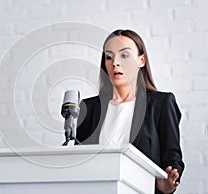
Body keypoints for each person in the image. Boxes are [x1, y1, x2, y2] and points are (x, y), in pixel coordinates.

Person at [75, 29, 184, 194]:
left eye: (124, 55)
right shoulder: (88, 108)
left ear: (141, 60)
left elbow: (172, 158)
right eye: (109, 57)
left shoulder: (161, 104)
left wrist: (166, 183)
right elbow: (78, 162)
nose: (115, 63)